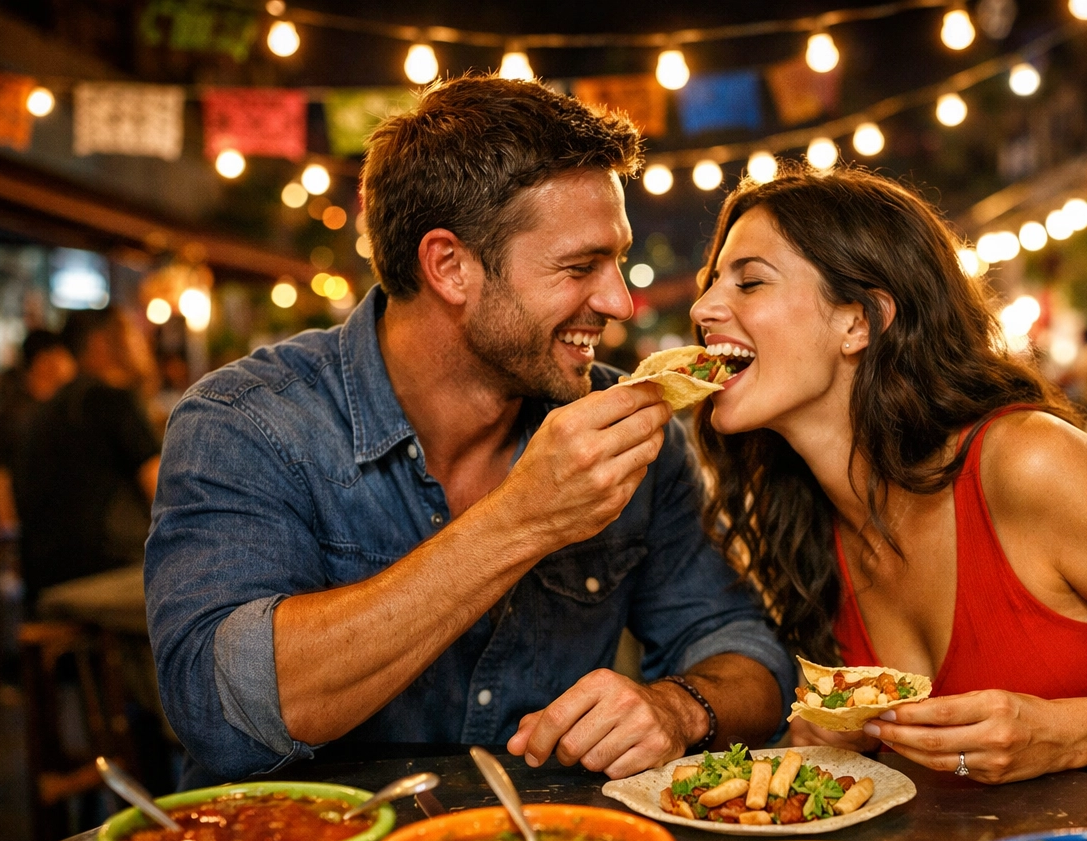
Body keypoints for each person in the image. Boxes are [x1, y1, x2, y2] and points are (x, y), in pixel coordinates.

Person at [145, 76, 793, 785]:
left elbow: (745, 650)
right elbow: (221, 715)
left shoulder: (629, 431)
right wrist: (522, 520)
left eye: (616, 261)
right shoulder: (249, 421)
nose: (618, 301)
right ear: (450, 267)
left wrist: (677, 707)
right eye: (580, 267)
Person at [688, 167, 1087, 784]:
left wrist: (1079, 733)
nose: (703, 307)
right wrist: (837, 741)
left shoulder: (1026, 462)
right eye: (712, 283)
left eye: (749, 284)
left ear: (859, 321)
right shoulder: (802, 516)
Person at [13, 310, 159, 596]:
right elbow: (167, 498)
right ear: (101, 343)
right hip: (107, 573)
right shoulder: (113, 400)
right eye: (130, 332)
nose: (142, 341)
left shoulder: (41, 411)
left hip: (42, 583)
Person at [0, 329, 78, 532]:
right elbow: (1, 479)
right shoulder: (19, 416)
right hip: (30, 532)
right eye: (65, 355)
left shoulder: (50, 409)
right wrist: (10, 533)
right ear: (45, 360)